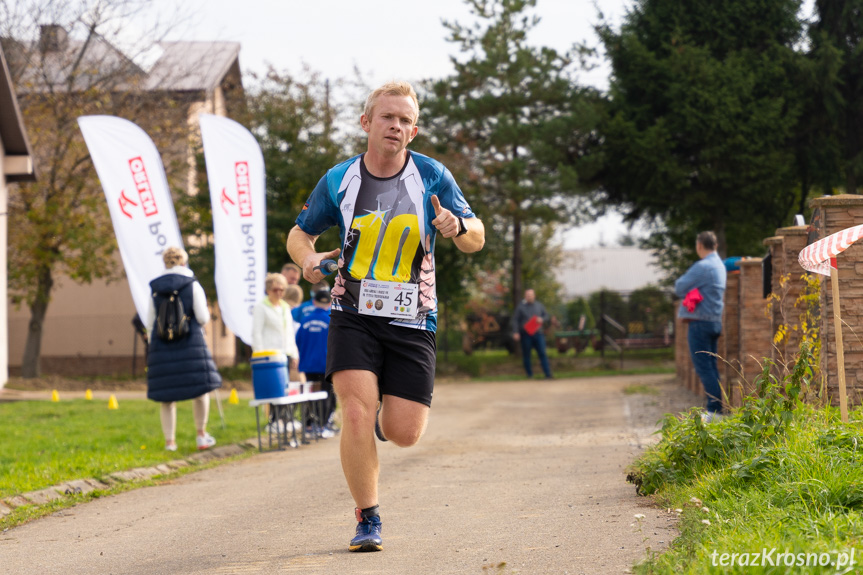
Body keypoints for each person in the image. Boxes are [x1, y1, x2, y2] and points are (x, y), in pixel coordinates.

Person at [287, 80, 485, 553]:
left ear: (413, 132)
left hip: (413, 317)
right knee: (354, 411)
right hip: (351, 311)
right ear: (367, 123)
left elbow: (476, 236)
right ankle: (368, 516)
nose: (395, 126)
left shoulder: (433, 176)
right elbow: (300, 234)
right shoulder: (339, 179)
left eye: (404, 120)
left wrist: (457, 227)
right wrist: (308, 262)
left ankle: (383, 421)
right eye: (387, 117)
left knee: (404, 432)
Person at [145, 247, 222, 452]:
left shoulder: (154, 286)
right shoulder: (192, 284)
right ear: (183, 262)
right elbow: (203, 317)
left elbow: (149, 321)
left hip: (162, 344)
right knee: (200, 390)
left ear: (165, 263)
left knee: (166, 396)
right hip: (191, 342)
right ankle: (201, 436)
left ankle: (170, 443)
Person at [674, 231, 727, 422]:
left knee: (704, 367)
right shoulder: (719, 265)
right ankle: (717, 409)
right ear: (716, 245)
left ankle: (715, 411)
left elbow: (679, 287)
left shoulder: (703, 266)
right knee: (711, 367)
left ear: (699, 246)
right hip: (714, 321)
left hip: (700, 323)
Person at [252, 273, 300, 431]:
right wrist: (259, 355)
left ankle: (286, 418)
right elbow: (256, 332)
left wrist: (294, 353)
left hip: (284, 353)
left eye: (282, 289)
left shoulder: (285, 307)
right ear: (268, 290)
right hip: (269, 355)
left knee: (286, 387)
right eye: (275, 289)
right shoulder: (261, 307)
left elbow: (289, 333)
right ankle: (274, 420)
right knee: (273, 388)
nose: (279, 292)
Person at [296, 286, 335, 438]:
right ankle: (323, 425)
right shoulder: (331, 321)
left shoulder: (305, 321)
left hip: (307, 365)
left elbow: (298, 342)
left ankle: (308, 424)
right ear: (330, 303)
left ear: (314, 302)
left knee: (309, 395)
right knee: (325, 395)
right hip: (325, 365)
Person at [511, 289, 553, 379]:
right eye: (527, 295)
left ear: (534, 296)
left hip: (538, 334)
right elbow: (515, 320)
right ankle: (529, 375)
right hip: (526, 335)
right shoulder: (520, 307)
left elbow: (546, 316)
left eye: (531, 295)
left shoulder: (539, 305)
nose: (529, 296)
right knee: (526, 355)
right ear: (525, 296)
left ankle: (548, 374)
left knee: (542, 353)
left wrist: (542, 319)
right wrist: (515, 332)